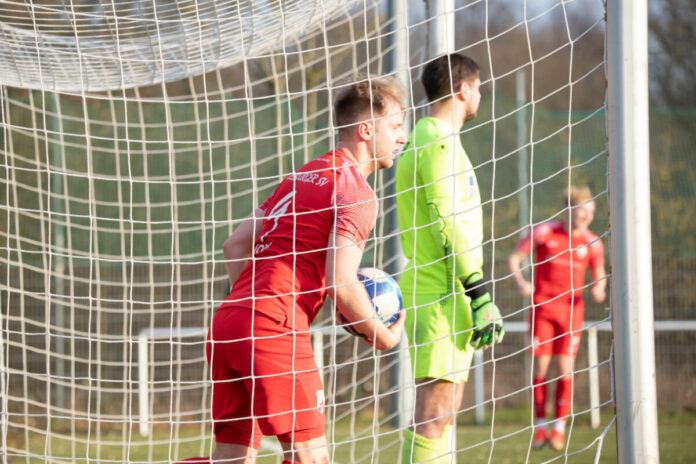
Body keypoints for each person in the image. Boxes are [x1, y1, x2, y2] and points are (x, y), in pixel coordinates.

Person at [178, 77, 408, 464]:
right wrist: (383, 337)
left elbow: (234, 244)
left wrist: (255, 309)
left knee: (232, 458)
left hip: (230, 322)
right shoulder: (355, 192)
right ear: (366, 129)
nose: (402, 138)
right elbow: (340, 282)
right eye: (397, 127)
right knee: (312, 459)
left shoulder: (299, 177)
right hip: (275, 327)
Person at [395, 54, 504, 464]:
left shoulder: (431, 137)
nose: (480, 95)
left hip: (445, 289)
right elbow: (447, 222)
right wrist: (478, 293)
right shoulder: (437, 140)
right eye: (478, 86)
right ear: (462, 89)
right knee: (434, 416)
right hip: (442, 291)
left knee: (441, 416)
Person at [508, 186, 607, 451]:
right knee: (541, 370)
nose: (586, 216)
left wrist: (599, 288)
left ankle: (559, 429)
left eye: (591, 212)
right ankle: (540, 427)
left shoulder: (593, 242)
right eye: (582, 210)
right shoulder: (545, 232)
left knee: (565, 370)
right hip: (542, 310)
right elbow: (515, 258)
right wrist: (521, 283)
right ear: (568, 210)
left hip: (572, 313)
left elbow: (599, 275)